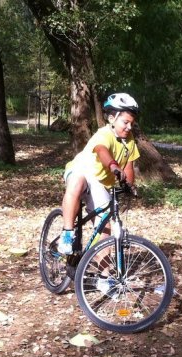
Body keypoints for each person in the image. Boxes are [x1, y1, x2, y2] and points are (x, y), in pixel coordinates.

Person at [57, 93, 140, 255]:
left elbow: (129, 166)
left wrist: (129, 186)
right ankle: (67, 233)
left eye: (132, 123)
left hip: (100, 183)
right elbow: (102, 151)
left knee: (105, 228)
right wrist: (113, 166)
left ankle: (104, 276)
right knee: (77, 182)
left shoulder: (130, 141)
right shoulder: (104, 134)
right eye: (125, 122)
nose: (129, 127)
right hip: (82, 169)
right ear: (111, 119)